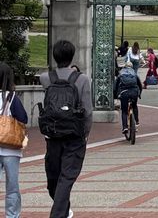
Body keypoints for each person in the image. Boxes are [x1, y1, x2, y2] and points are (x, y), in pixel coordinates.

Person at [39, 40, 93, 218]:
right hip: (74, 136)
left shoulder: (46, 78)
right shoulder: (82, 79)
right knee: (66, 178)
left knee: (54, 180)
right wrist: (85, 134)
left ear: (54, 56)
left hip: (53, 135)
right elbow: (87, 111)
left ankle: (61, 212)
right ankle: (62, 212)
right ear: (72, 56)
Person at [0, 62, 28, 218]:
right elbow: (23, 118)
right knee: (12, 186)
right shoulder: (11, 98)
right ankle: (12, 215)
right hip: (11, 149)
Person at [114, 61, 142, 134]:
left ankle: (125, 127)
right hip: (134, 92)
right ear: (131, 67)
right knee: (134, 106)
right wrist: (139, 94)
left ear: (124, 66)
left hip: (124, 93)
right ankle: (136, 122)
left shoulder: (121, 73)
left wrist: (116, 96)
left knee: (124, 111)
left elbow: (115, 86)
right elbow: (140, 85)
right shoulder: (134, 73)